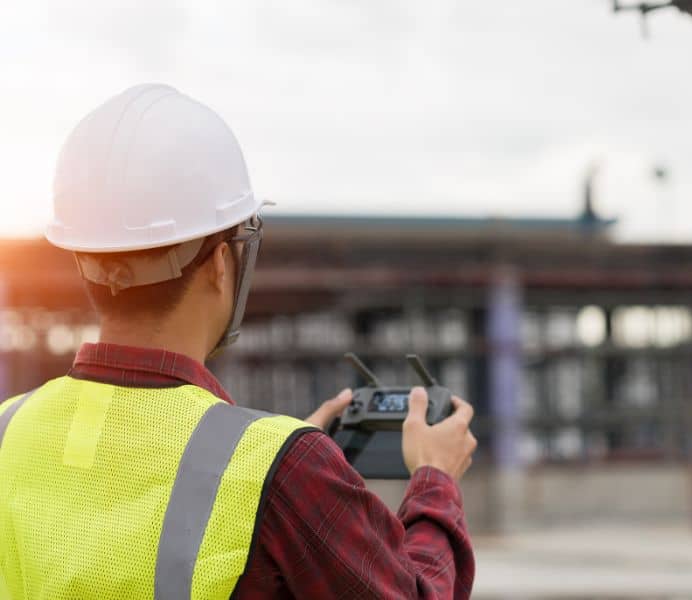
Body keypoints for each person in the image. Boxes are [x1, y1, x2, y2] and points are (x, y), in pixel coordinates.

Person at [0, 84, 477, 599]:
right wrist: (434, 478)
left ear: (84, 257)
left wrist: (281, 456)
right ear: (224, 264)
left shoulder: (9, 431)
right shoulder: (285, 470)